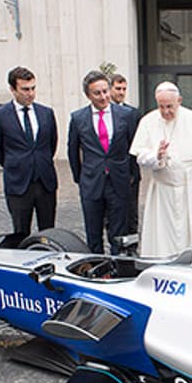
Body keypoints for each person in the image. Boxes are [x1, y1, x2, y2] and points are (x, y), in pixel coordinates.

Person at [129, 82, 192, 257]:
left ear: (179, 101)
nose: (166, 111)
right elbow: (139, 156)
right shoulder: (148, 121)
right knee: (161, 238)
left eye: (170, 106)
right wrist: (157, 155)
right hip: (162, 191)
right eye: (161, 107)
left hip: (191, 190)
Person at [68, 71, 137, 254]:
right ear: (88, 95)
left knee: (118, 232)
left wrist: (132, 175)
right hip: (91, 183)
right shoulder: (78, 118)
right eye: (97, 93)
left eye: (105, 91)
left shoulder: (126, 114)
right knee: (93, 232)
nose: (103, 97)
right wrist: (80, 178)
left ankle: (118, 267)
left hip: (118, 182)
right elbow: (73, 151)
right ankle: (97, 268)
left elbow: (133, 148)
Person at [0, 66, 59, 237]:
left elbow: (52, 143)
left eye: (33, 88)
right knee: (20, 232)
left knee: (49, 231)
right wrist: (16, 163)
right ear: (13, 89)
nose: (30, 93)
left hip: (45, 181)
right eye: (25, 89)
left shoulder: (46, 113)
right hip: (18, 183)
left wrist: (40, 162)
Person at [110, 73, 141, 236]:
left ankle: (132, 243)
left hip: (129, 171)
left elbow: (136, 144)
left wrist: (133, 173)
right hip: (109, 171)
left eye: (124, 89)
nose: (121, 92)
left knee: (131, 211)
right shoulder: (103, 113)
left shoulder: (133, 113)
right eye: (118, 88)